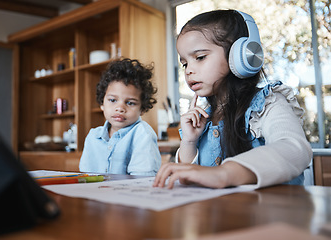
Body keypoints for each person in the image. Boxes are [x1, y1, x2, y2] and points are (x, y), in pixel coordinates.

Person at [153, 9, 312, 189]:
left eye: (200, 57)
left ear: (240, 55)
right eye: (185, 63)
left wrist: (224, 173)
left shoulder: (267, 103)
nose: (189, 70)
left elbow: (295, 149)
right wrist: (189, 142)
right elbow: (190, 181)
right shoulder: (203, 117)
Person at [79, 58, 161, 176]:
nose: (120, 108)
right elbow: (85, 176)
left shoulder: (143, 135)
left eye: (130, 103)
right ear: (102, 103)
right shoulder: (93, 137)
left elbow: (142, 181)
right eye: (112, 100)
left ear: (142, 109)